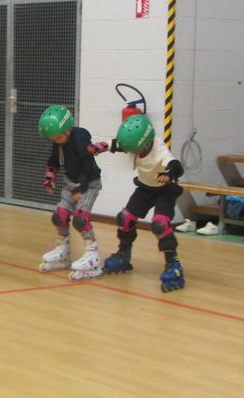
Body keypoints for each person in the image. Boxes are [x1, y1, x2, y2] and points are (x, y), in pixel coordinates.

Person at [97, 114, 186, 292]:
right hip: (145, 188)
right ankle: (123, 254)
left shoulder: (160, 151)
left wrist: (169, 174)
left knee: (160, 225)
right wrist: (99, 147)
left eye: (135, 150)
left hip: (165, 190)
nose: (133, 154)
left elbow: (177, 166)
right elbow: (117, 144)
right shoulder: (137, 143)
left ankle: (173, 265)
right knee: (125, 219)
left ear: (146, 143)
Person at [38, 105, 103, 280]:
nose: (56, 141)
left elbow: (88, 164)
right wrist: (49, 179)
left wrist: (82, 187)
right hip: (70, 184)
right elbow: (53, 161)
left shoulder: (80, 138)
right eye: (53, 139)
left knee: (80, 219)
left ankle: (92, 254)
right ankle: (63, 250)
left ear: (68, 129)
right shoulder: (59, 143)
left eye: (58, 137)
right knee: (59, 217)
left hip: (89, 184)